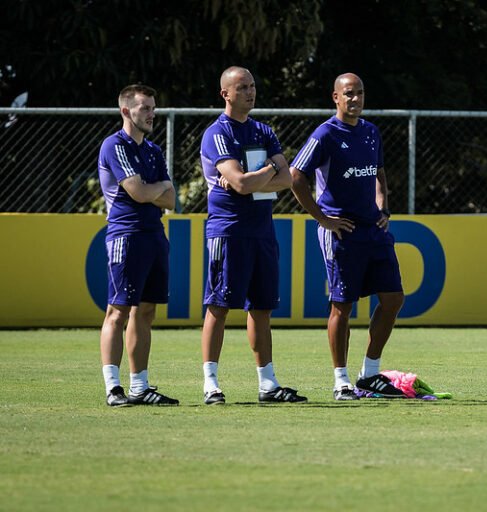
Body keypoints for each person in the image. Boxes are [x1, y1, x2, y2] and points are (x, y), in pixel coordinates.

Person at [290, 73, 406, 401]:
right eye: (349, 94)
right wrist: (322, 218)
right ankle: (341, 380)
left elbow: (379, 174)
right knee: (342, 306)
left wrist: (383, 208)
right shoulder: (325, 133)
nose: (355, 99)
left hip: (373, 229)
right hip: (343, 232)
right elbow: (296, 176)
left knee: (394, 298)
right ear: (336, 98)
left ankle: (369, 374)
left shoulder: (371, 132)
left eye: (360, 93)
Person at [199, 66, 306, 405]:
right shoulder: (217, 133)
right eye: (242, 87)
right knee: (219, 306)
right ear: (225, 94)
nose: (250, 91)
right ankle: (211, 383)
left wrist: (260, 174)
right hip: (228, 231)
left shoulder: (263, 130)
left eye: (252, 85)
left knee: (261, 308)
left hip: (262, 230)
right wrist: (263, 174)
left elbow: (286, 178)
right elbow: (241, 184)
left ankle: (268, 384)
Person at [97, 84, 178, 407]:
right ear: (126, 111)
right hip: (126, 235)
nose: (152, 114)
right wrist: (157, 188)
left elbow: (171, 199)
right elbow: (140, 193)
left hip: (154, 235)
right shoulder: (114, 145)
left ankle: (139, 387)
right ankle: (113, 388)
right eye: (145, 108)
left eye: (153, 108)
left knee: (146, 311)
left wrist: (154, 189)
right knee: (117, 311)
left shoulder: (154, 151)